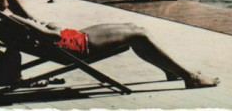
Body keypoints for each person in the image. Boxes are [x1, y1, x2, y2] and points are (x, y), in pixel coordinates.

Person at [17, 16, 219, 89]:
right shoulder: (10, 16)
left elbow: (40, 33)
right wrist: (47, 27)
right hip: (76, 44)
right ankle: (190, 77)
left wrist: (42, 25)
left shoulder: (5, 17)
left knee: (133, 27)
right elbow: (48, 35)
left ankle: (170, 69)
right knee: (139, 35)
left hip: (70, 39)